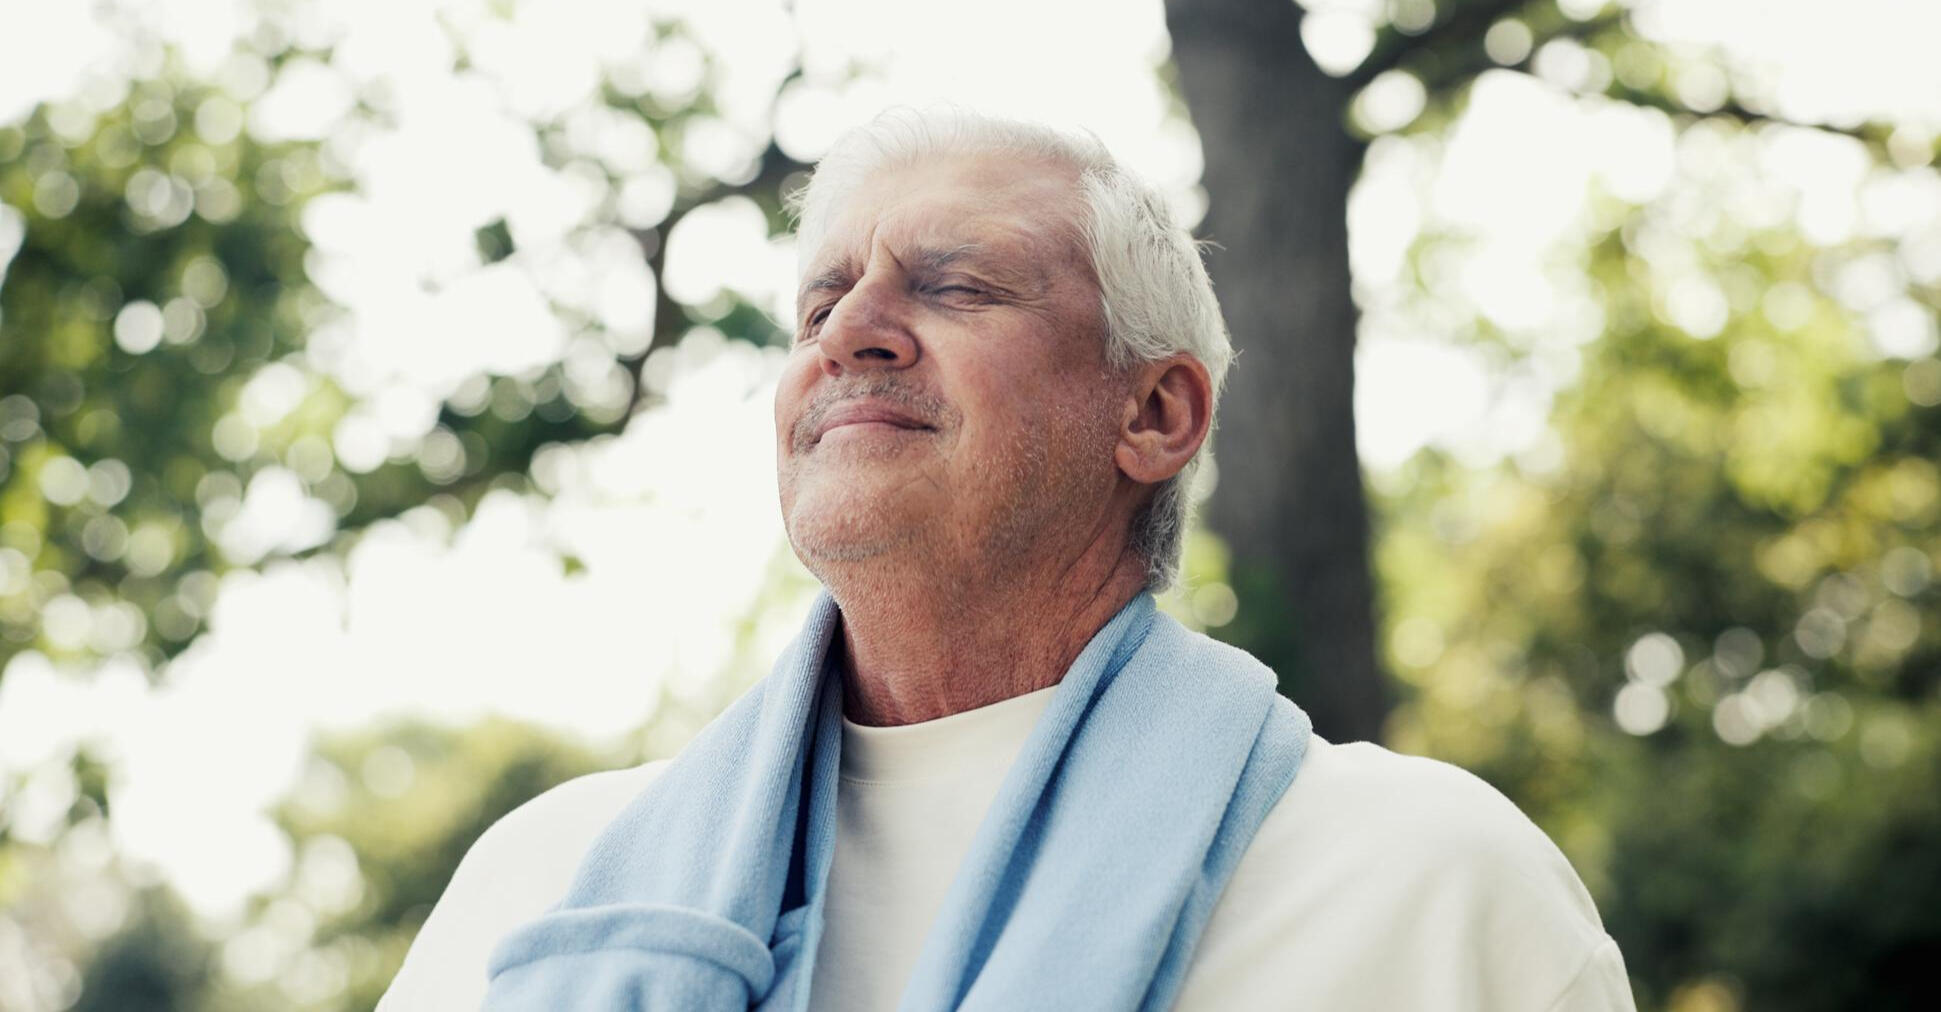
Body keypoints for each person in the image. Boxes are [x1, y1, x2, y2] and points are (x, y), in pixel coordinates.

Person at [379, 109, 1636, 1011]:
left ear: (1155, 415)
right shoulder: (546, 890)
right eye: (819, 306)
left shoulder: (1430, 885)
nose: (851, 332)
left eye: (957, 286)